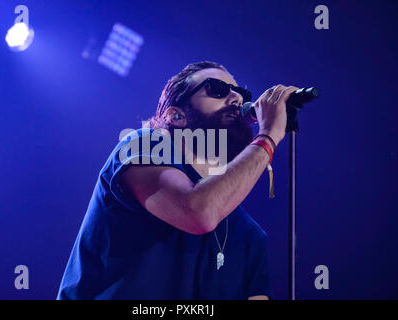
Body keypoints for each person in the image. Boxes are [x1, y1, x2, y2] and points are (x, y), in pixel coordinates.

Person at [57, 61, 298, 300]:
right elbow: (197, 212)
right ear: (176, 115)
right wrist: (267, 138)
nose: (236, 97)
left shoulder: (250, 236)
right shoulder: (141, 145)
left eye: (241, 93)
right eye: (218, 89)